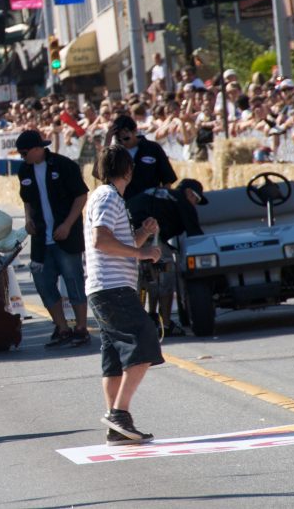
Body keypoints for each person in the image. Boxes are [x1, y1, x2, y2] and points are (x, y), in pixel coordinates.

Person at [85, 144, 164, 446]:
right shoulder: (107, 197)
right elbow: (101, 240)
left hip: (104, 287)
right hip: (111, 287)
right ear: (129, 171)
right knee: (144, 339)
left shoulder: (106, 197)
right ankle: (119, 413)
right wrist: (140, 252)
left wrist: (141, 235)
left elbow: (114, 241)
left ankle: (116, 423)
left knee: (114, 356)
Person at [16, 130, 90, 347]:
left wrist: (68, 224)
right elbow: (27, 199)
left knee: (74, 281)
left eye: (24, 152)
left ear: (38, 149)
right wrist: (28, 218)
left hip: (65, 237)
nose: (22, 157)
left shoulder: (64, 165)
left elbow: (81, 195)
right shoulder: (24, 170)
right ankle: (62, 328)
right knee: (43, 282)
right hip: (41, 239)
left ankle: (81, 328)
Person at [127, 178, 208, 336]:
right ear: (189, 192)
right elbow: (196, 237)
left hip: (128, 230)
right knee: (166, 271)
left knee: (138, 276)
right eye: (196, 199)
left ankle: (139, 321)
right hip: (150, 232)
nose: (195, 204)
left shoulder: (157, 192)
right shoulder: (182, 200)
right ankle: (165, 323)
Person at [107, 115, 177, 201]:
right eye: (119, 138)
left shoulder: (153, 148)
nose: (123, 141)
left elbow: (167, 179)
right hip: (124, 205)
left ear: (135, 131)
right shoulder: (115, 152)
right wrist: (107, 142)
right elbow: (99, 174)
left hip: (149, 204)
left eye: (126, 138)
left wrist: (163, 202)